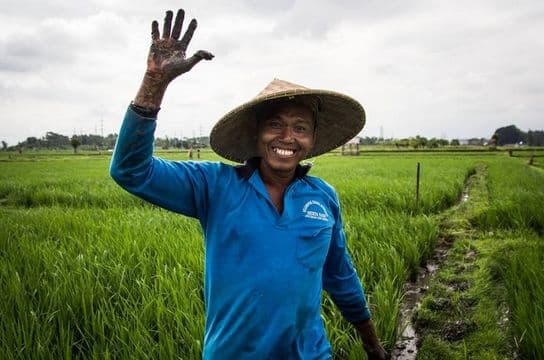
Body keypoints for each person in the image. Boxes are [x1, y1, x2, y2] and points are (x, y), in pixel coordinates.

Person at [110, 8, 388, 360]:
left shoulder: (322, 197)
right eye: (275, 124)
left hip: (310, 354)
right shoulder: (214, 186)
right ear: (257, 133)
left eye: (300, 127)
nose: (287, 137)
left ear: (312, 138)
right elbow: (131, 171)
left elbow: (340, 275)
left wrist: (371, 342)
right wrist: (154, 82)